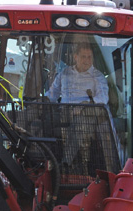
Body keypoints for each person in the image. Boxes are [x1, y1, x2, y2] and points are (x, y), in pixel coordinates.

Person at [46, 42, 117, 173]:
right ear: (75, 57)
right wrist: (41, 102)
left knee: (80, 123)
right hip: (64, 112)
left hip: (89, 114)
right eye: (83, 57)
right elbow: (51, 95)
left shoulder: (98, 77)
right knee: (41, 121)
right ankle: (35, 162)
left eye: (89, 57)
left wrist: (83, 107)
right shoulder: (64, 73)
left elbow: (103, 99)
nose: (87, 60)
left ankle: (66, 164)